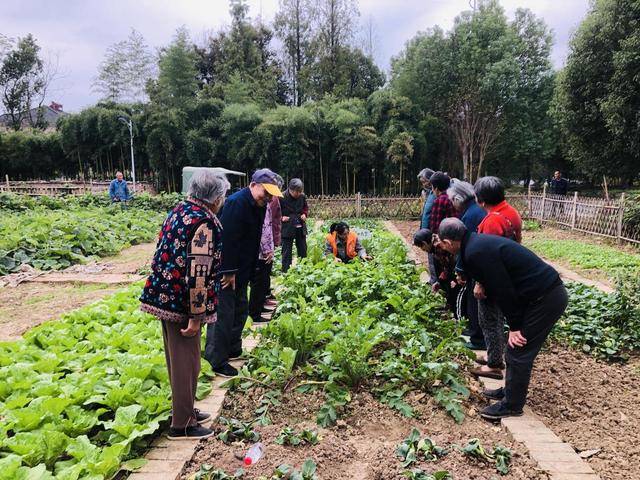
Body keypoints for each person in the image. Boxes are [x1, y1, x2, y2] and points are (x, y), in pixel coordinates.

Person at [437, 218, 568, 421]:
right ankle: (509, 392)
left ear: (448, 242)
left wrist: (515, 326)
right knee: (514, 348)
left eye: (443, 244)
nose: (443, 248)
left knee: (518, 350)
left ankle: (512, 405)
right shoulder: (475, 245)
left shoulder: (474, 252)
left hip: (546, 298)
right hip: (540, 295)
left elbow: (503, 289)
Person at [139, 170, 229, 440]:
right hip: (181, 302)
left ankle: (187, 409)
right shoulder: (204, 221)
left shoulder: (181, 210)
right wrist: (196, 316)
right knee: (185, 364)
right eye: (222, 195)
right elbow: (198, 272)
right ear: (215, 198)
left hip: (166, 295)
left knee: (181, 361)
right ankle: (182, 425)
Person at [204, 168, 283, 378]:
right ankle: (216, 360)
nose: (267, 197)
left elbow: (252, 238)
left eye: (271, 194)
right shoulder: (236, 203)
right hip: (227, 271)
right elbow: (228, 239)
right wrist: (228, 271)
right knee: (223, 314)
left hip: (242, 269)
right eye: (265, 192)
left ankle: (232, 349)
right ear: (253, 184)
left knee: (240, 310)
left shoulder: (257, 205)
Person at [469, 176, 524, 378]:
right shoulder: (511, 212)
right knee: (498, 318)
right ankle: (495, 354)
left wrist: (481, 283)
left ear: (481, 199)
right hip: (508, 274)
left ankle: (493, 364)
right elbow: (518, 241)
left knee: (489, 320)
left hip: (493, 279)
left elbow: (487, 258)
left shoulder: (493, 221)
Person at [447, 180, 487, 350]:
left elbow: (464, 245)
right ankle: (474, 332)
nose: (452, 205)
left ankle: (478, 338)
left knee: (475, 301)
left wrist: (460, 269)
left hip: (476, 265)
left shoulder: (470, 215)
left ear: (458, 198)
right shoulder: (474, 210)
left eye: (452, 201)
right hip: (478, 262)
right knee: (474, 301)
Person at [248, 175, 284, 324]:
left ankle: (260, 308)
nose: (270, 197)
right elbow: (262, 228)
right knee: (258, 282)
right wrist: (265, 249)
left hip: (266, 249)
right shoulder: (257, 204)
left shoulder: (267, 202)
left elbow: (269, 226)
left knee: (264, 281)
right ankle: (255, 314)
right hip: (260, 251)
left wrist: (271, 246)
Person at [427, 172, 459, 313]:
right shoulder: (453, 198)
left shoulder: (440, 200)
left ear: (435, 187)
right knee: (453, 275)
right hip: (454, 241)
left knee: (444, 274)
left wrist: (435, 244)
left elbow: (435, 227)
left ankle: (450, 306)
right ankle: (452, 305)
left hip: (443, 243)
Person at [280, 178, 309, 273]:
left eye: (300, 191)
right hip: (287, 226)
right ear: (290, 189)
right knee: (286, 251)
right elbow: (275, 212)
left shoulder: (302, 196)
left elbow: (305, 207)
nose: (299, 194)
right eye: (297, 192)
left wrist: (304, 214)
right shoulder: (281, 196)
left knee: (303, 249)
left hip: (300, 224)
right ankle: (286, 272)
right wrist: (281, 217)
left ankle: (304, 269)